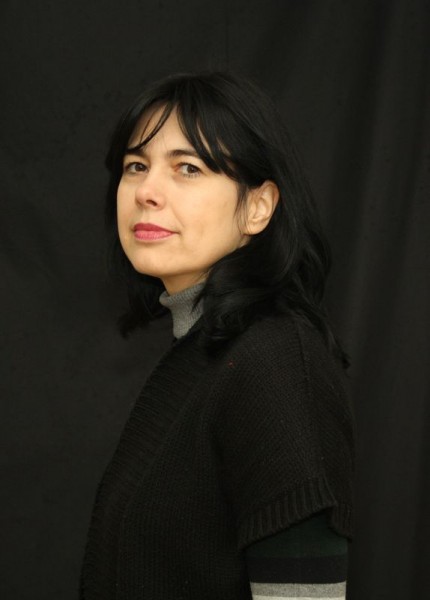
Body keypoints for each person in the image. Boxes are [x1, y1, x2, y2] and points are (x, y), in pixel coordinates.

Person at [80, 72, 354, 600]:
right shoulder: (208, 353)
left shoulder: (276, 361)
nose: (147, 192)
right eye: (136, 166)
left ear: (258, 207)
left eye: (188, 168)